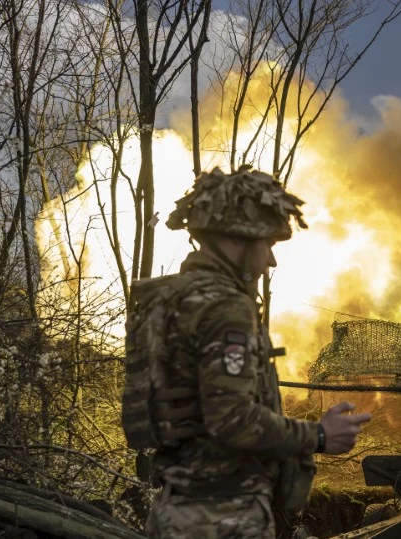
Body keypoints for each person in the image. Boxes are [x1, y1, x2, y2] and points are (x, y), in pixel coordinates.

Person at [140, 166, 372, 538]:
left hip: (177, 508)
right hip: (222, 517)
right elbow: (231, 418)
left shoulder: (175, 299)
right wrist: (320, 436)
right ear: (239, 238)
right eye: (267, 245)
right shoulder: (224, 308)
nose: (271, 260)